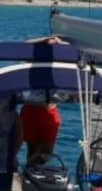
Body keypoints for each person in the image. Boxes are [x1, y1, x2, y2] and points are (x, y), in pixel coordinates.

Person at [20, 36, 67, 166]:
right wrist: (46, 39)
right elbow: (23, 45)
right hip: (31, 108)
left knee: (47, 152)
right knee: (32, 149)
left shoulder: (60, 62)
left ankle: (32, 171)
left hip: (49, 110)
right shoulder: (31, 61)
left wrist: (59, 42)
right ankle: (30, 174)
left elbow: (74, 49)